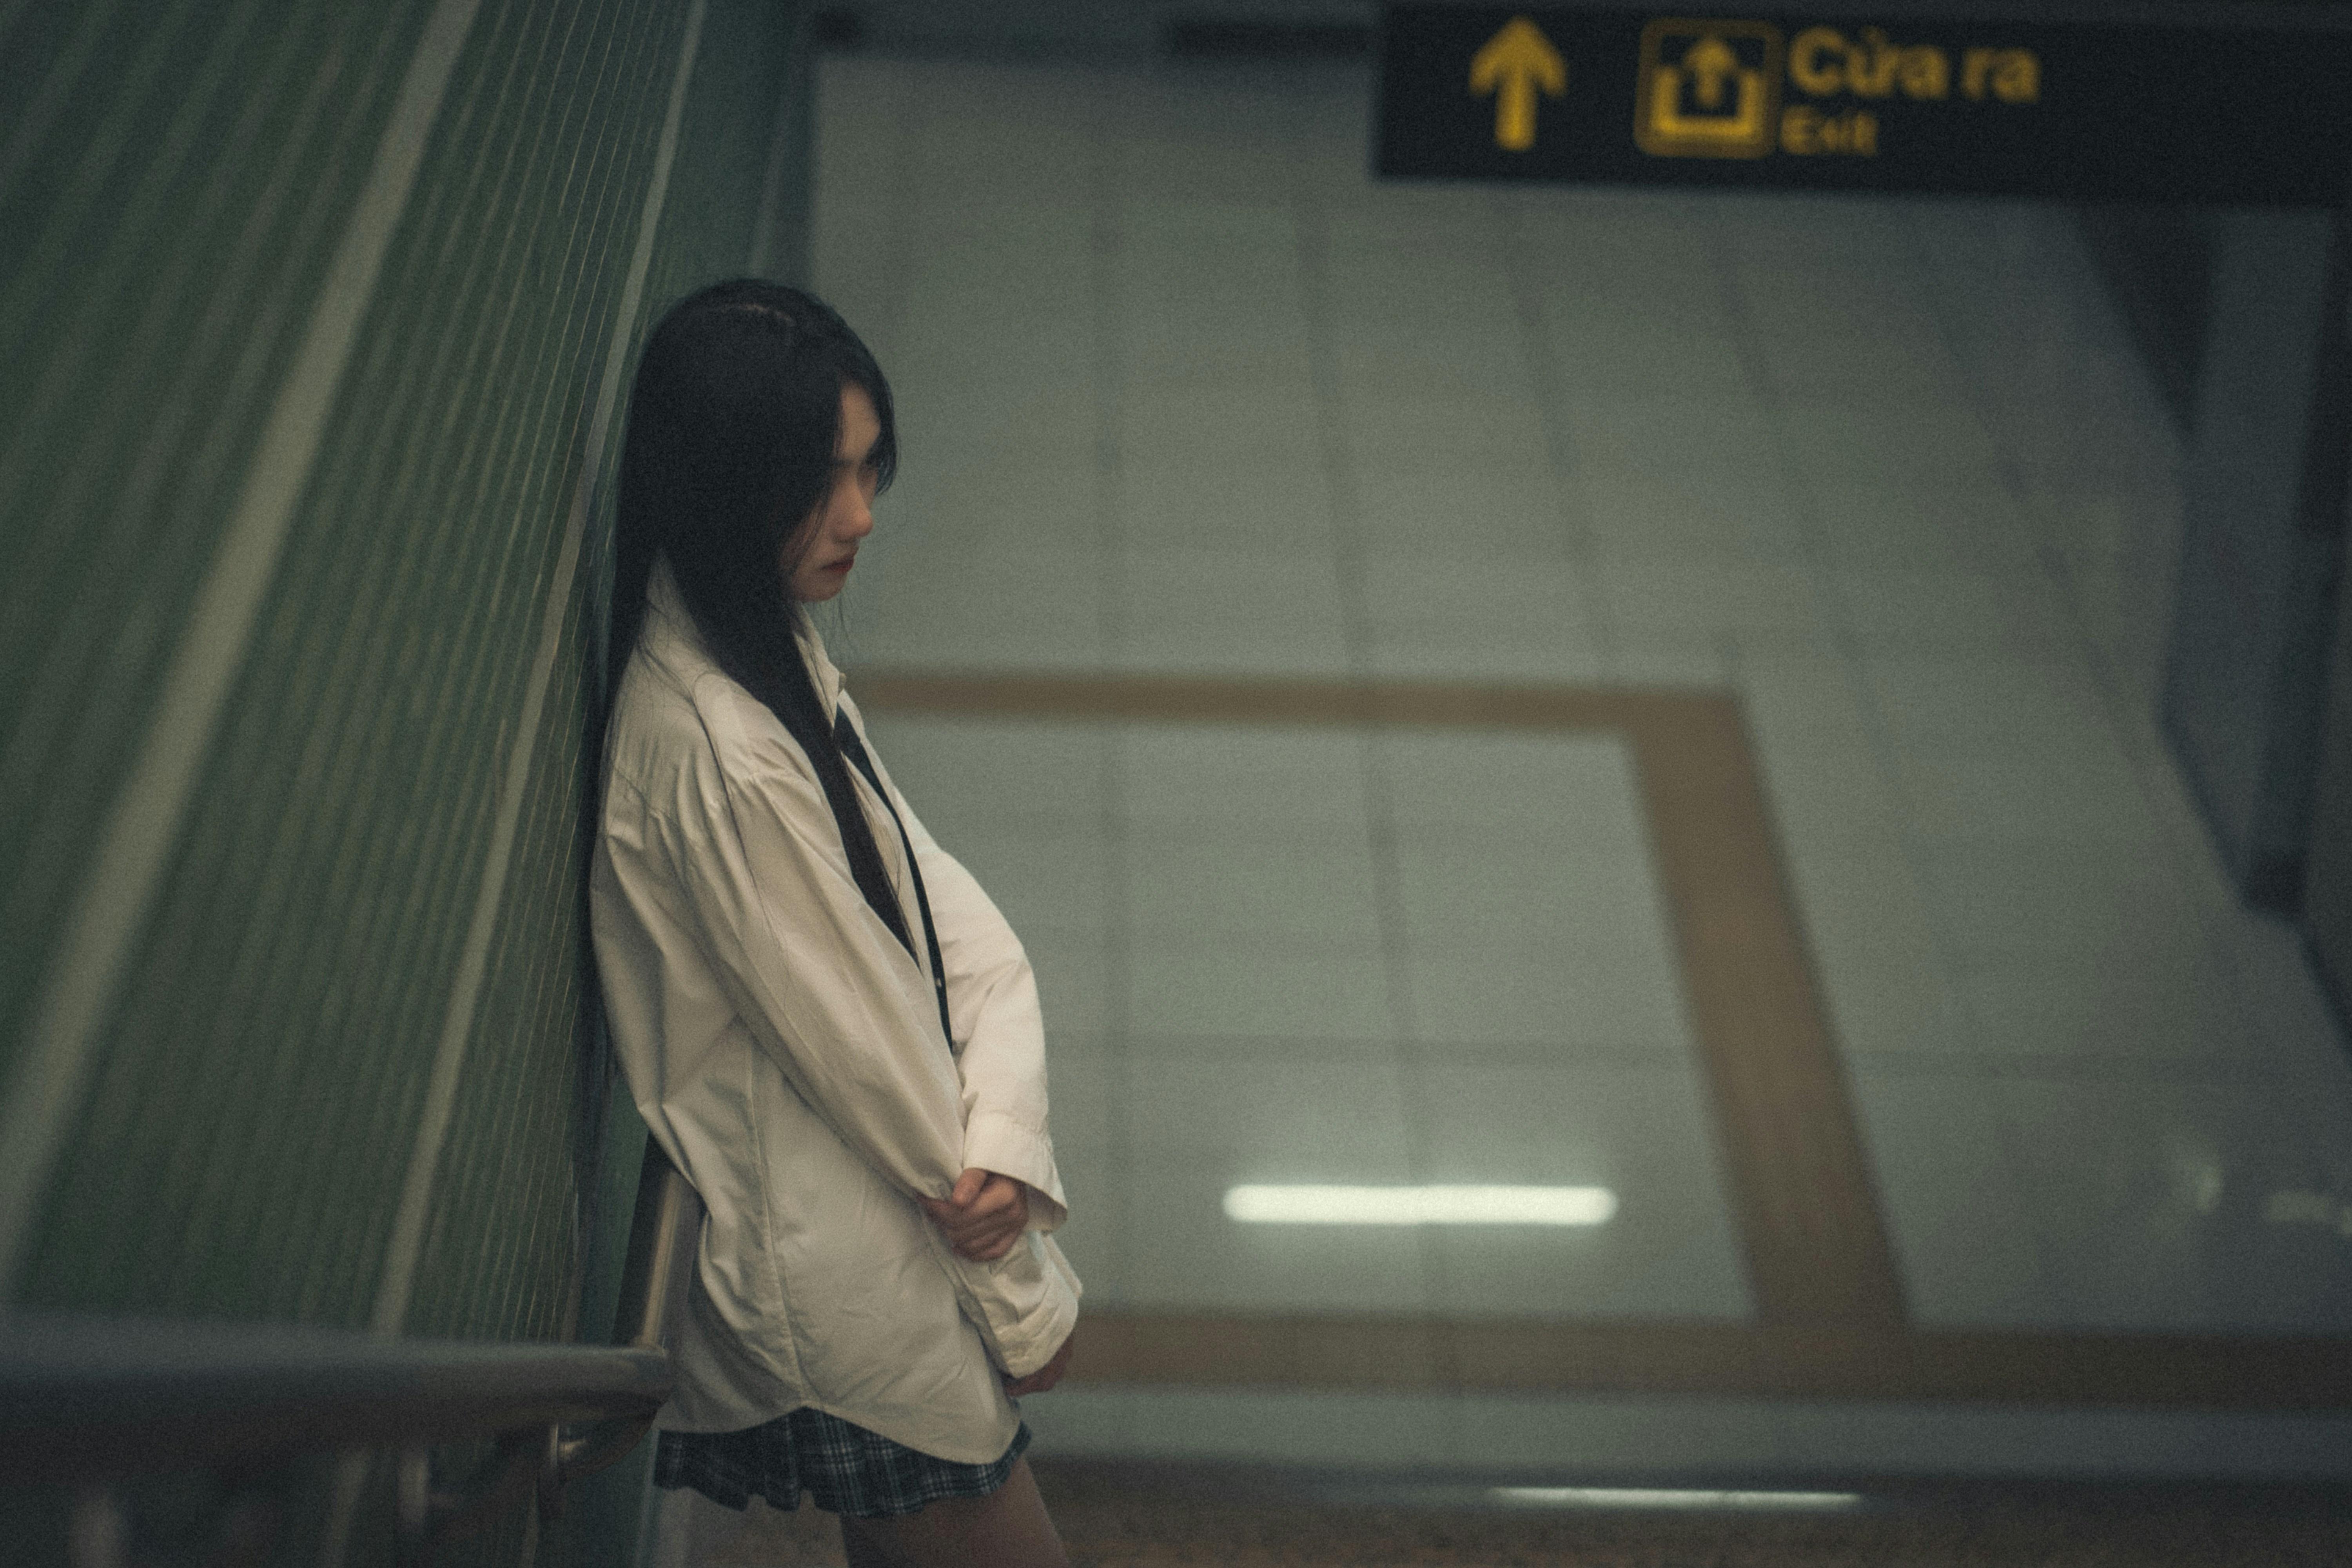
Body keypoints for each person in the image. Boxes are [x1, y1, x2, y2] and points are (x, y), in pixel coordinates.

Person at [591, 278, 1080, 1568]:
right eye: (824, 480)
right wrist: (1027, 1308)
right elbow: (881, 1064)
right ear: (722, 479)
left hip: (880, 1251)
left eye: (872, 469)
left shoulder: (757, 634)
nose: (862, 516)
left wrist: (1009, 1129)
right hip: (859, 1292)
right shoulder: (719, 750)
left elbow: (945, 910)